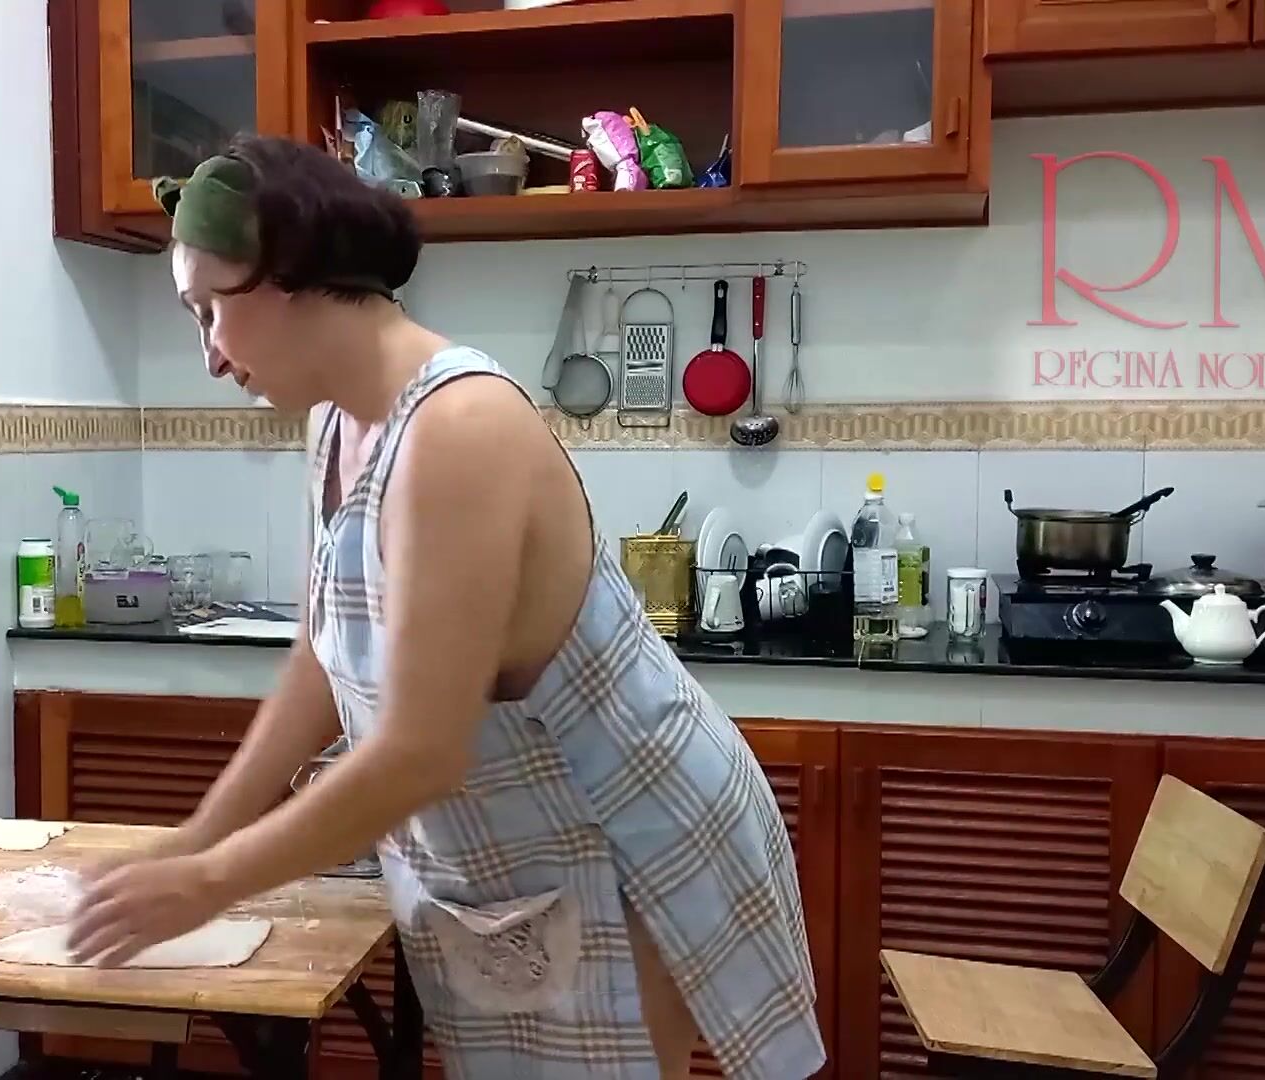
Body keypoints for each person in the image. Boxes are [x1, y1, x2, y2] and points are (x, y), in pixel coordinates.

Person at [70, 135, 823, 1080]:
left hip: (629, 833)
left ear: (290, 272)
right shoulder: (336, 421)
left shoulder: (460, 428)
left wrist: (210, 883)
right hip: (513, 846)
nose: (210, 355)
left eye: (210, 310)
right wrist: (197, 839)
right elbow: (319, 660)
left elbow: (421, 751)